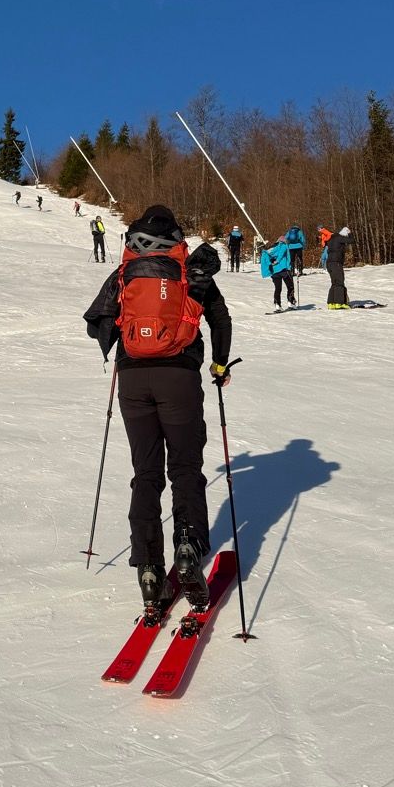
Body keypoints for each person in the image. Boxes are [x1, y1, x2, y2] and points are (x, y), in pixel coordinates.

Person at [84, 205, 233, 616]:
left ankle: (149, 568)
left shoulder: (125, 272)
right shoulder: (191, 271)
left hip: (133, 382)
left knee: (146, 473)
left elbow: (96, 323)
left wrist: (124, 336)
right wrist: (219, 365)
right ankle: (188, 546)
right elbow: (220, 320)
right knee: (185, 468)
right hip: (179, 378)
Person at [260, 235, 297, 310]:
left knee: (278, 288)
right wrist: (277, 261)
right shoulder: (283, 246)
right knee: (290, 286)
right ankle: (291, 302)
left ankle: (277, 305)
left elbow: (266, 255)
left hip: (274, 271)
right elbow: (281, 255)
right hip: (284, 269)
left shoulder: (272, 248)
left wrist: (271, 263)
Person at [326, 226, 352, 308]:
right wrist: (350, 233)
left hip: (329, 263)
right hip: (336, 263)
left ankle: (331, 303)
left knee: (334, 283)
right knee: (340, 282)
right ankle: (339, 303)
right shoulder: (340, 238)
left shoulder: (331, 239)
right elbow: (352, 240)